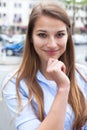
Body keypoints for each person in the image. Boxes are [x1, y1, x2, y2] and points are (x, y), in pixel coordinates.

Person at [2, 2, 87, 130]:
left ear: (68, 36)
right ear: (31, 37)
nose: (52, 44)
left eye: (59, 34)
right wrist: (63, 88)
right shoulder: (16, 83)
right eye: (42, 35)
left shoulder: (83, 74)